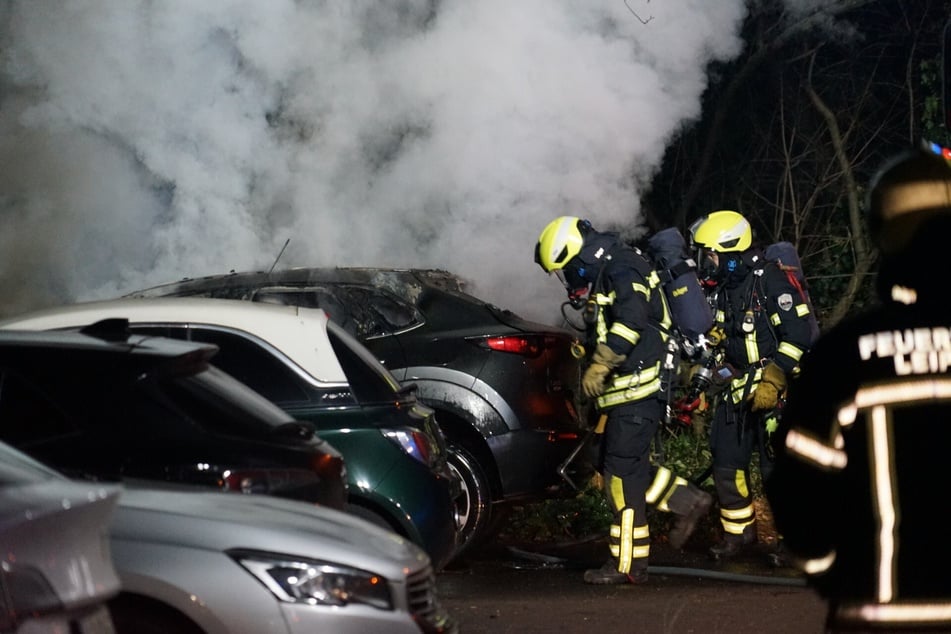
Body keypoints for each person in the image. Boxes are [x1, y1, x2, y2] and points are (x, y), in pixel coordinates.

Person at [766, 141, 951, 632]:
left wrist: (832, 573)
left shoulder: (843, 356)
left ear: (880, 233)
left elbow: (796, 486)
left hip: (877, 612)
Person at [534, 216, 713, 585]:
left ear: (575, 257)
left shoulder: (621, 266)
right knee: (610, 461)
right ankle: (687, 500)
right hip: (629, 392)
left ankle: (627, 564)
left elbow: (631, 322)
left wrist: (601, 363)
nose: (568, 279)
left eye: (565, 270)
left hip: (639, 390)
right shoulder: (611, 269)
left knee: (620, 473)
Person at [686, 209, 814, 561]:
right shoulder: (728, 287)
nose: (706, 262)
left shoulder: (771, 280)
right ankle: (739, 535)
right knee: (726, 465)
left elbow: (798, 334)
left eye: (710, 254)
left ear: (729, 254)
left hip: (776, 392)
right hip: (737, 388)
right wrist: (706, 363)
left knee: (778, 471)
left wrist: (774, 376)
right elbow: (726, 334)